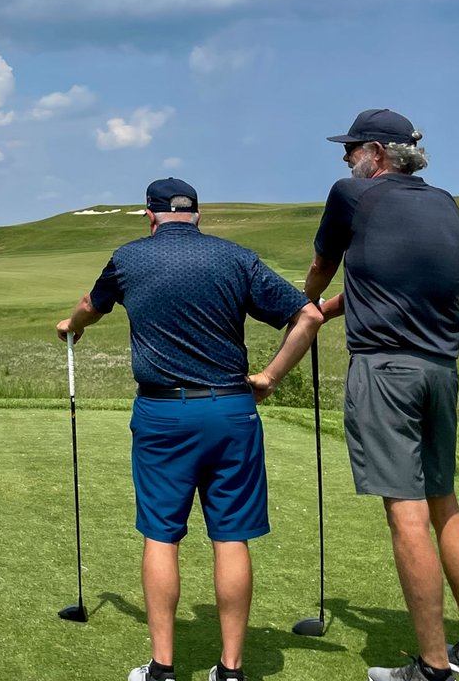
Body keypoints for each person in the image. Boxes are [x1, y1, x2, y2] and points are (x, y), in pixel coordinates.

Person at [56, 178, 323, 681]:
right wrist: (269, 377)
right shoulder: (235, 257)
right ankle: (232, 669)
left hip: (162, 417)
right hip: (231, 412)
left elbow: (90, 307)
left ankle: (162, 668)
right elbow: (308, 316)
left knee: (161, 536)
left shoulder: (128, 258)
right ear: (198, 215)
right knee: (231, 538)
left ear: (149, 216)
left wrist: (71, 327)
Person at [305, 110, 459, 681]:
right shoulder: (445, 203)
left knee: (406, 512)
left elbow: (322, 266)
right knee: (444, 501)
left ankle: (433, 669)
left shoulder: (351, 196)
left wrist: (311, 301)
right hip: (440, 369)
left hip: (386, 369)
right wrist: (346, 302)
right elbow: (389, 281)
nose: (345, 158)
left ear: (379, 154)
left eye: (353, 147)